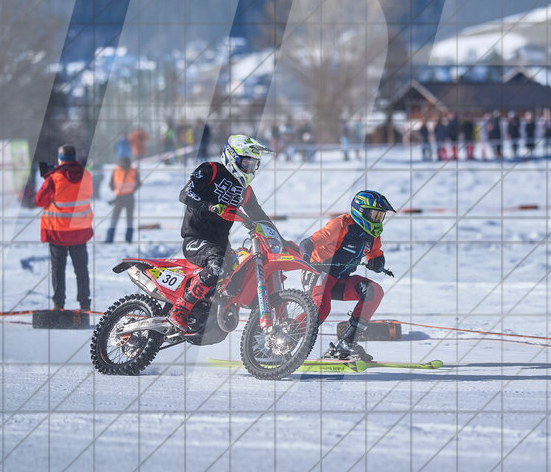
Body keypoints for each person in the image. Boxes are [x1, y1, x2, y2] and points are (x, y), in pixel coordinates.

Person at [170, 135, 276, 336]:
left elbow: (259, 216)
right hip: (195, 238)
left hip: (220, 244)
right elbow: (185, 194)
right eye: (246, 163)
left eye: (253, 164)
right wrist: (211, 207)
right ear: (232, 157)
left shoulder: (244, 190)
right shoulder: (210, 170)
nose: (249, 168)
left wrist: (280, 240)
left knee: (240, 270)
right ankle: (180, 308)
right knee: (217, 265)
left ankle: (213, 312)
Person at [300, 190, 396, 361]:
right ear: (361, 211)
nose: (377, 220)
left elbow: (375, 255)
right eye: (374, 215)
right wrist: (305, 254)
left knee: (373, 291)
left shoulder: (373, 236)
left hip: (339, 279)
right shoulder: (342, 224)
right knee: (322, 308)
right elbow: (309, 242)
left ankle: (346, 344)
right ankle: (283, 339)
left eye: (380, 216)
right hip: (318, 271)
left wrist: (378, 264)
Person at [35, 145, 93, 311]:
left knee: (58, 269)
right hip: (80, 231)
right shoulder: (86, 175)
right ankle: (85, 304)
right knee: (81, 269)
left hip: (58, 232)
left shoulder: (54, 178)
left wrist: (47, 179)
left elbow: (39, 200)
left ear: (60, 159)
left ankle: (58, 304)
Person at [106, 156, 140, 243]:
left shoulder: (117, 170)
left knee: (116, 219)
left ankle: (110, 239)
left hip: (122, 197)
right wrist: (131, 190)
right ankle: (128, 239)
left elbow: (110, 184)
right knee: (127, 220)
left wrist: (116, 191)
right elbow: (138, 184)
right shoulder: (132, 170)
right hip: (127, 197)